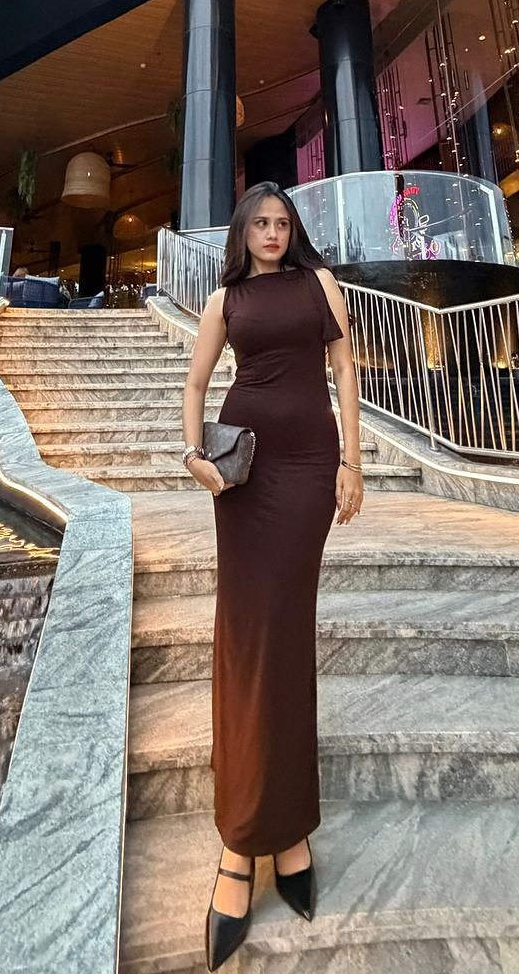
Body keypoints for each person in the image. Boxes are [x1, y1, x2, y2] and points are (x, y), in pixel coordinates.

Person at [181, 181, 364, 970]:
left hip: (310, 470)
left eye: (281, 222)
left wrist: (354, 463)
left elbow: (345, 371)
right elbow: (196, 383)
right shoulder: (225, 299)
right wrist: (194, 454)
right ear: (241, 231)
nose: (270, 232)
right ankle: (244, 839)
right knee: (249, 639)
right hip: (246, 478)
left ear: (294, 230)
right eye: (258, 222)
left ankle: (287, 828)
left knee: (285, 638)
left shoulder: (319, 284)